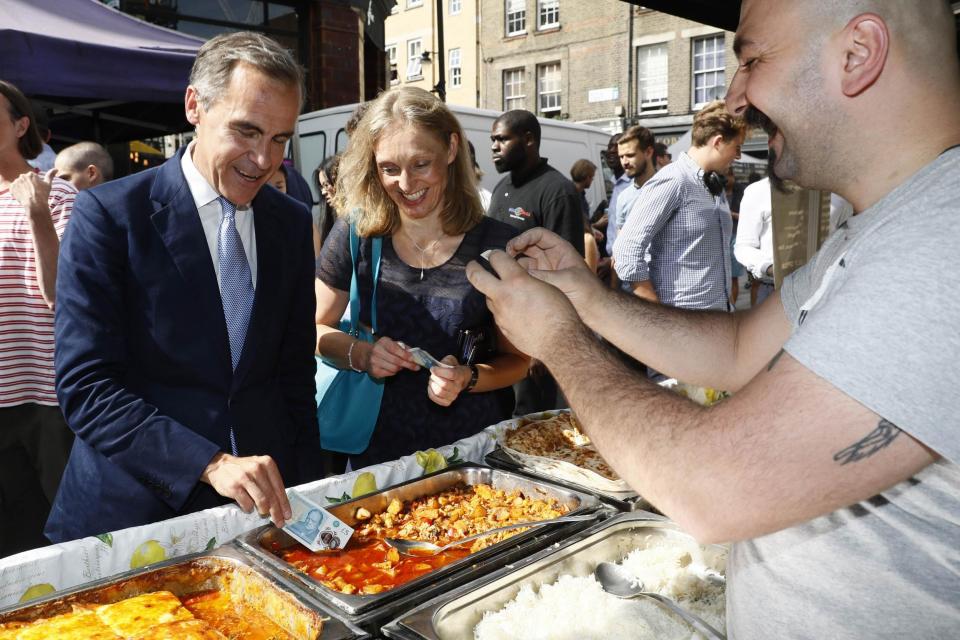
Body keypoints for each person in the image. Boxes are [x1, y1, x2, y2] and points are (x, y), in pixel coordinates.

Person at [466, 0, 960, 637]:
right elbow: (734, 347)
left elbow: (710, 484)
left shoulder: (940, 241)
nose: (734, 93)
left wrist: (557, 339)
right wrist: (583, 296)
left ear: (859, 53)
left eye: (753, 59)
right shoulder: (889, 223)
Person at [49, 32, 323, 542]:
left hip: (265, 519)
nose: (264, 160)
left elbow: (292, 376)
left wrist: (310, 493)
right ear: (194, 105)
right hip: (134, 518)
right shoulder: (109, 216)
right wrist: (210, 462)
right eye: (246, 131)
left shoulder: (288, 222)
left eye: (281, 139)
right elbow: (86, 387)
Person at [315, 86, 528, 469]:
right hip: (378, 453)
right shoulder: (357, 232)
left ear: (450, 148)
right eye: (389, 169)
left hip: (473, 456)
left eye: (420, 164)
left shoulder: (497, 243)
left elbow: (518, 360)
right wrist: (361, 354)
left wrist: (468, 377)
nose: (406, 184)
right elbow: (313, 328)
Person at [0, 80, 76, 556]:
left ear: (20, 124)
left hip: (46, 392)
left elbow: (61, 294)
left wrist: (37, 214)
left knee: (64, 532)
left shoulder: (57, 193)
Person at [614, 100, 746, 310]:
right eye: (736, 148)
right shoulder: (674, 180)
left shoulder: (714, 183)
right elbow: (626, 251)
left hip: (717, 319)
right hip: (683, 324)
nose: (738, 156)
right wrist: (660, 316)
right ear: (718, 142)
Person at [487, 110, 584, 256]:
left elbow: (568, 266)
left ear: (528, 139)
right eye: (493, 140)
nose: (494, 146)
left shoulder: (558, 191)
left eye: (502, 139)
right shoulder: (500, 187)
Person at [734, 176, 777, 305]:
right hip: (773, 288)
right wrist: (769, 267)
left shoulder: (834, 192)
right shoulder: (758, 190)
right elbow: (743, 246)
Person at [611, 125, 656, 243]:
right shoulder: (624, 197)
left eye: (630, 155)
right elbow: (621, 241)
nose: (624, 162)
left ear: (648, 152)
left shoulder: (670, 187)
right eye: (621, 157)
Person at [569, 158, 600, 273]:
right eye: (592, 177)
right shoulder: (572, 195)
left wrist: (593, 229)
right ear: (586, 177)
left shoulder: (580, 194)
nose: (592, 181)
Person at [313, 155, 339, 253]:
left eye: (327, 185)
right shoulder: (323, 219)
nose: (323, 192)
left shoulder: (355, 217)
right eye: (321, 186)